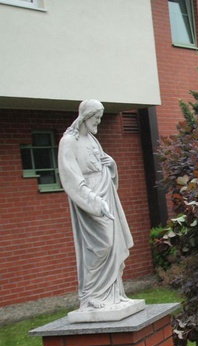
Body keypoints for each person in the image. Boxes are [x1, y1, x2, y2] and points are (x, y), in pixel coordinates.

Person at [58, 99, 137, 313]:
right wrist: (93, 200)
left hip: (106, 194)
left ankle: (114, 294)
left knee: (115, 244)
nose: (98, 123)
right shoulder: (69, 141)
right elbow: (71, 178)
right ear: (85, 116)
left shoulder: (92, 139)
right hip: (90, 199)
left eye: (100, 119)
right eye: (96, 118)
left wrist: (112, 165)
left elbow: (102, 163)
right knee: (101, 246)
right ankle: (91, 295)